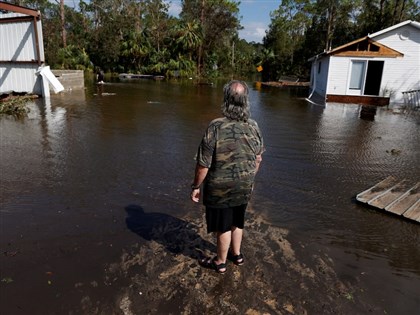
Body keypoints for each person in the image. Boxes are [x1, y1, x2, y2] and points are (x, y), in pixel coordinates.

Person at [190, 80, 264, 274]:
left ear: (226, 100)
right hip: (244, 184)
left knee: (223, 225)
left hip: (220, 187)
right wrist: (250, 179)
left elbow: (203, 164)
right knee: (238, 220)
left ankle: (220, 262)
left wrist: (196, 186)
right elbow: (258, 158)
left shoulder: (215, 126)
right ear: (246, 101)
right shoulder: (253, 126)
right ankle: (237, 255)